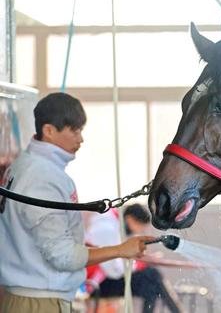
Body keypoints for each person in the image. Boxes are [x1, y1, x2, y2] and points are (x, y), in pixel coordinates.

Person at [0, 92, 152, 313]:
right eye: (74, 130)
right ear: (49, 130)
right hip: (39, 303)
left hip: (34, 298)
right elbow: (63, 256)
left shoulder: (27, 165)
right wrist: (121, 250)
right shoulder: (43, 177)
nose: (80, 139)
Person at [85, 204, 184, 313]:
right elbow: (114, 270)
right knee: (152, 275)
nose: (137, 232)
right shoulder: (107, 229)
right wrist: (140, 264)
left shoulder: (112, 225)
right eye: (139, 228)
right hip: (97, 282)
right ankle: (177, 311)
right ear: (130, 219)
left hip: (104, 278)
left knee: (151, 285)